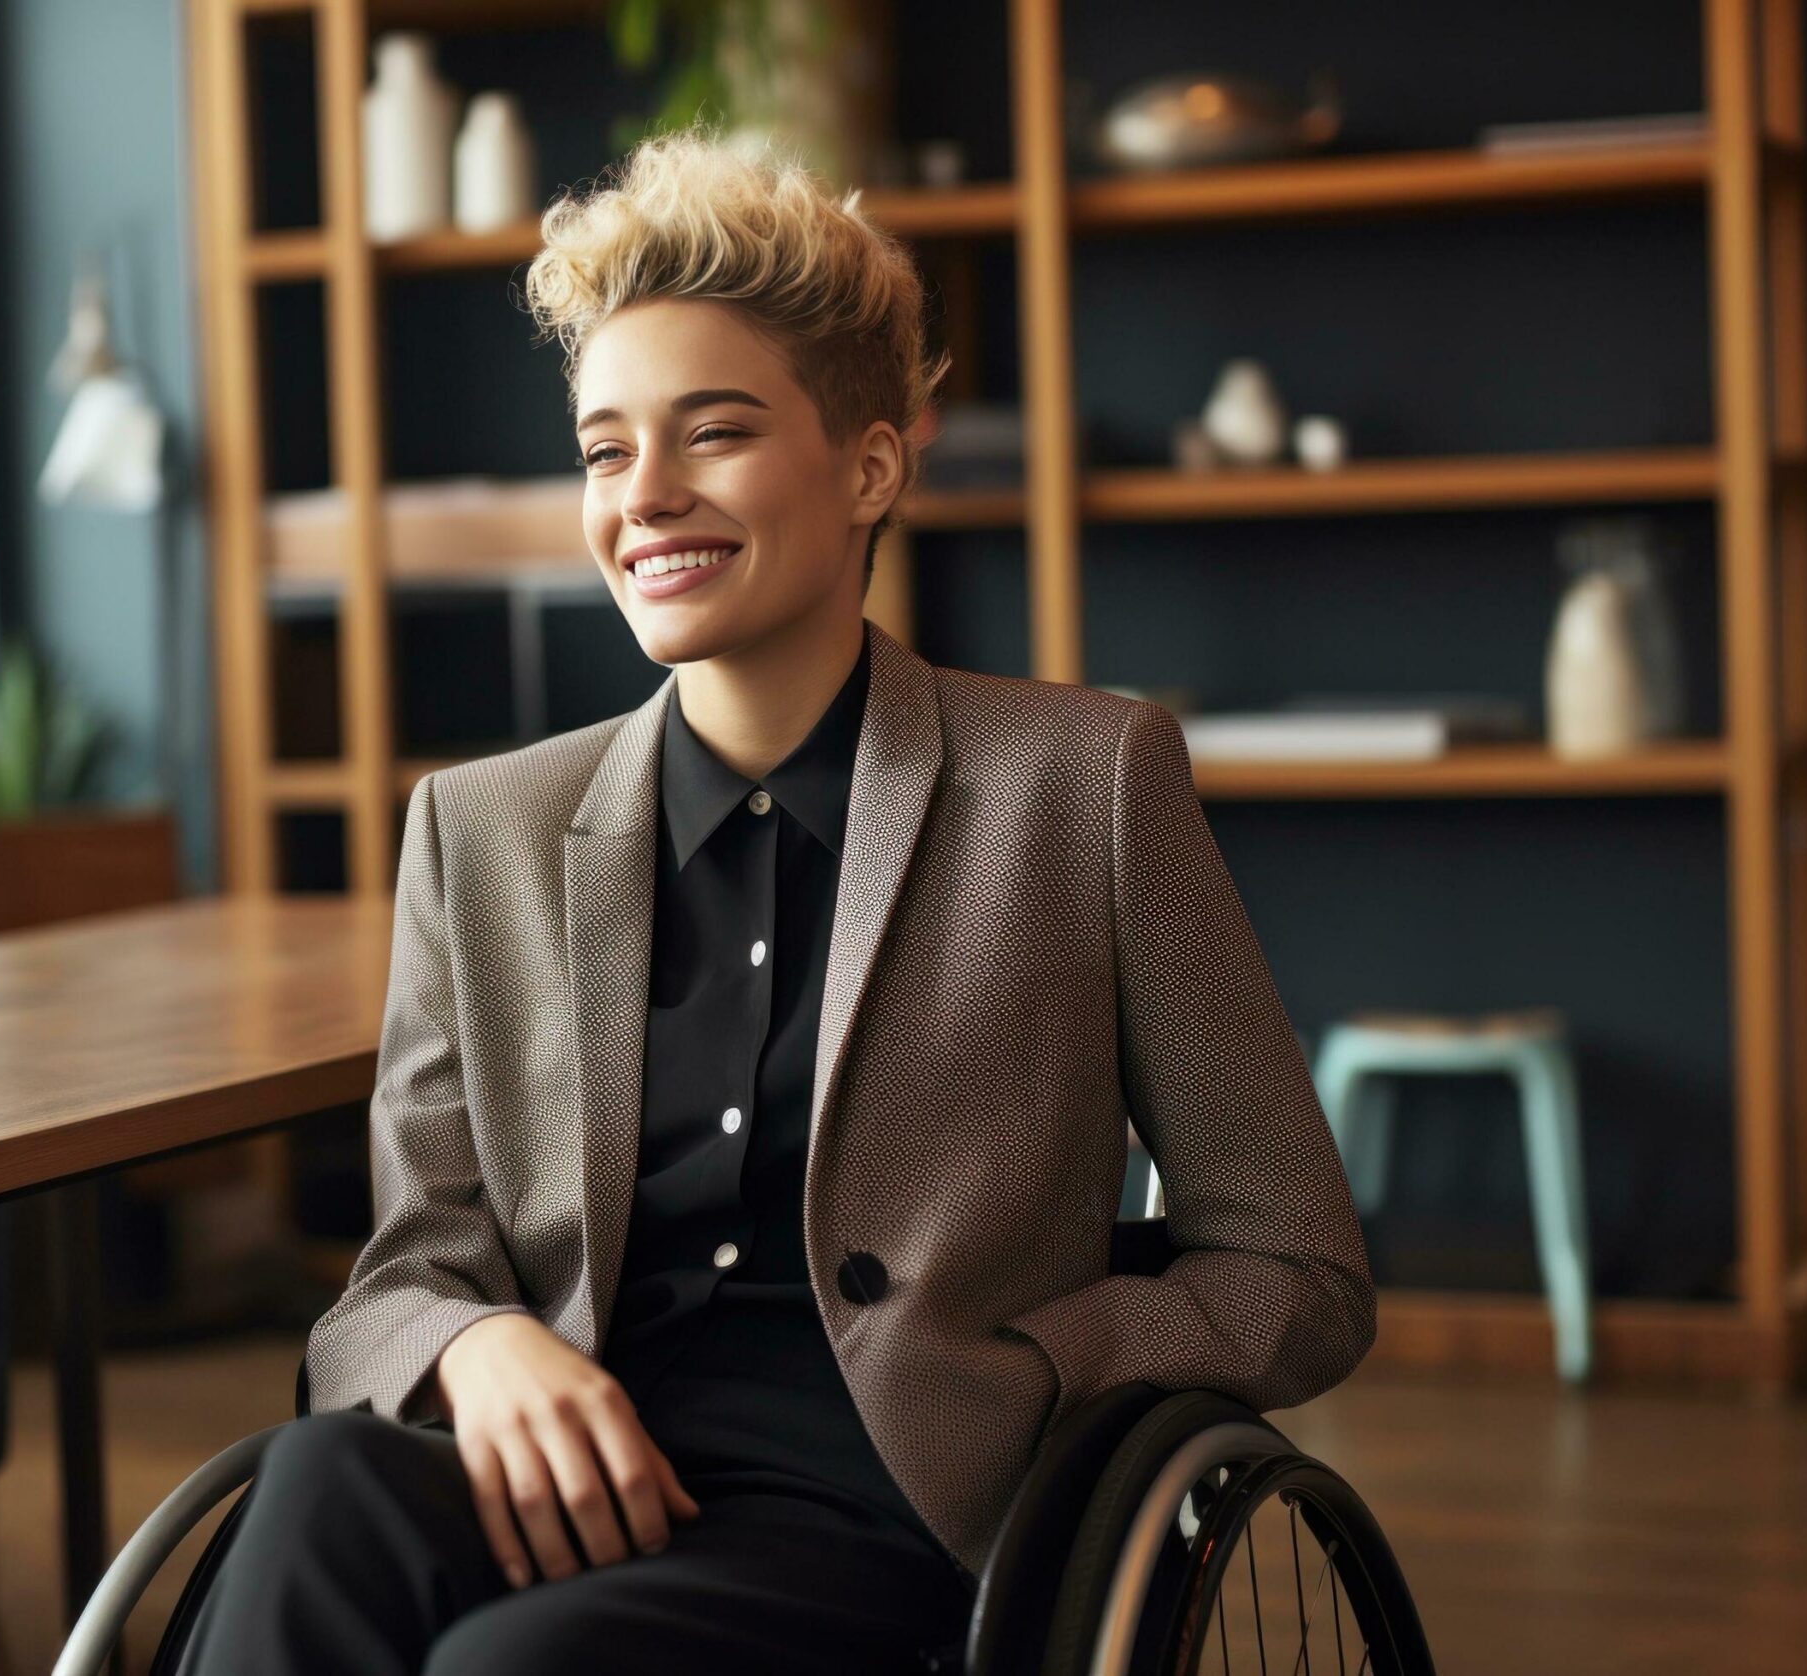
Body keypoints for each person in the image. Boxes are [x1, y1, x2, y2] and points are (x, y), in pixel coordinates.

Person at [183, 125, 1375, 1676]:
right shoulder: (479, 831)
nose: (647, 496)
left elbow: (1299, 1268)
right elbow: (398, 1279)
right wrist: (472, 1346)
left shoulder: (1078, 787)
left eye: (715, 433)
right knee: (318, 1480)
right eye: (607, 450)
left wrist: (1028, 1366)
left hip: (891, 1520)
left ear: (870, 462)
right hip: (570, 1477)